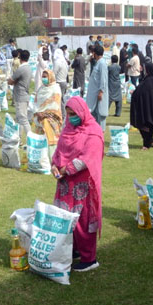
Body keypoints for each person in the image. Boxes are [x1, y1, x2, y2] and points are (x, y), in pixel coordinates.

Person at [51, 97, 104, 272]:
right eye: (68, 114)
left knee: (82, 220)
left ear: (82, 112)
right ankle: (73, 249)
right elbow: (59, 150)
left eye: (74, 114)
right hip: (65, 183)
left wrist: (67, 169)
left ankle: (89, 258)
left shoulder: (93, 132)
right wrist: (54, 166)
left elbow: (88, 158)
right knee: (65, 217)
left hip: (83, 186)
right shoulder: (68, 129)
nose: (71, 117)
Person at [131, 62, 153, 150]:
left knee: (145, 126)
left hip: (145, 108)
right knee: (149, 125)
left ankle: (146, 144)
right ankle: (150, 141)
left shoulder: (149, 81)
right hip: (149, 107)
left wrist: (135, 92)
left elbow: (142, 92)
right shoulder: (152, 80)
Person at [34, 70, 63, 159]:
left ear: (50, 77)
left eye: (45, 76)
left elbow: (55, 104)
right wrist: (38, 112)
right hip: (39, 117)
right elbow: (36, 103)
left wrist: (45, 114)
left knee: (50, 139)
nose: (44, 78)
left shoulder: (55, 88)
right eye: (43, 76)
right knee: (39, 139)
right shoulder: (41, 88)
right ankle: (40, 159)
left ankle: (52, 159)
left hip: (51, 118)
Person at [8, 49, 32, 144]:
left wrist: (13, 81)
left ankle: (31, 139)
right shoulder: (29, 67)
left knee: (23, 119)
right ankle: (19, 138)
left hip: (20, 96)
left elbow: (10, 80)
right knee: (19, 119)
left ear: (20, 57)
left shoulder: (22, 68)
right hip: (23, 95)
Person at [85, 44, 108, 130]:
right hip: (94, 93)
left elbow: (103, 79)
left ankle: (101, 132)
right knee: (94, 114)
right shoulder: (98, 63)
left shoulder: (102, 64)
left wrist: (101, 91)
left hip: (99, 93)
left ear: (95, 53)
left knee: (101, 114)